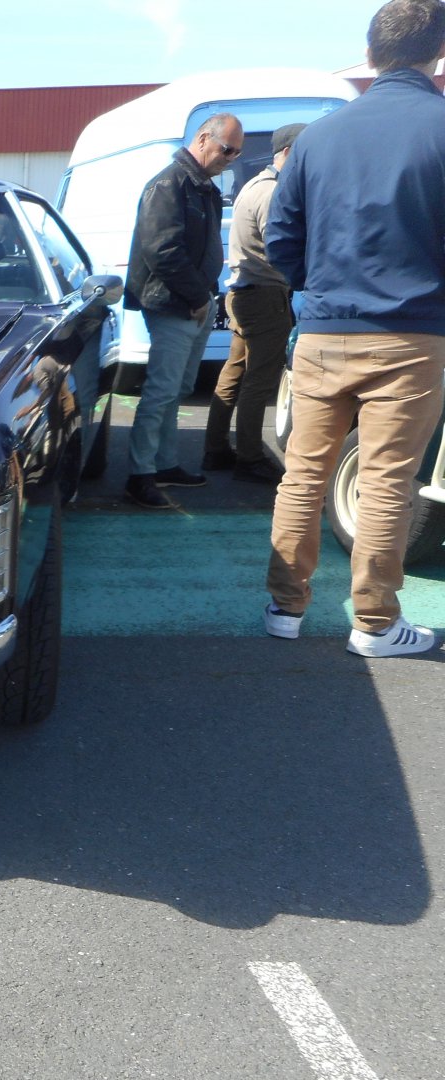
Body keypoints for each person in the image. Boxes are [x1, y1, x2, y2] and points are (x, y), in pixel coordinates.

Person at [263, 0, 445, 657]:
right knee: (388, 481)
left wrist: (316, 289)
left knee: (302, 475)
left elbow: (280, 237)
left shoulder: (317, 136)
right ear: (437, 55)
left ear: (370, 55)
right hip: (412, 334)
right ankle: (374, 623)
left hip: (323, 329)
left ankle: (284, 608)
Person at [122, 112, 245, 509]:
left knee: (177, 389)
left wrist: (204, 297)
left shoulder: (201, 186)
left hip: (193, 301)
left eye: (237, 153)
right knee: (161, 392)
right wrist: (197, 297)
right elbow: (162, 250)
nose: (232, 158)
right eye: (227, 149)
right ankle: (140, 475)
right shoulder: (168, 184)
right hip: (174, 304)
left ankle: (164, 463)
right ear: (203, 139)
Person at [202, 122, 306, 485]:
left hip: (245, 292)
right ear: (288, 153)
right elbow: (279, 248)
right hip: (264, 295)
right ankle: (249, 457)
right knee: (259, 380)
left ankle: (215, 448)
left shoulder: (254, 185)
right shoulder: (274, 192)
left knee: (235, 372)